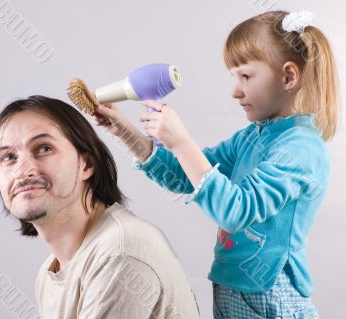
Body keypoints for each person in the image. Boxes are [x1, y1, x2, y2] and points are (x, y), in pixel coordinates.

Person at [93, 10, 340, 319]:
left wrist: (181, 141)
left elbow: (237, 211)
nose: (235, 91)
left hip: (270, 293)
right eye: (234, 77)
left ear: (289, 76)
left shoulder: (302, 149)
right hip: (232, 285)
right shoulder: (251, 137)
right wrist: (125, 132)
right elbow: (188, 176)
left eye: (246, 76)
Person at [0, 95, 200, 319]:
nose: (23, 170)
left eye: (43, 149)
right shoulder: (50, 272)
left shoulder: (119, 253)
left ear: (86, 164)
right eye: (9, 157)